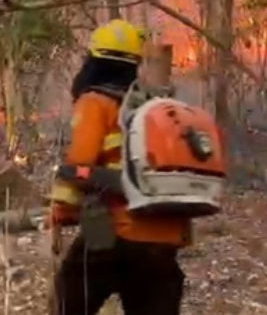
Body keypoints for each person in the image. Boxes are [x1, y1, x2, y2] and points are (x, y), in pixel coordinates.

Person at [47, 19, 191, 315]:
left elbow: (80, 165)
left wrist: (61, 213)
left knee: (68, 301)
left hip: (116, 234)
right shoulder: (158, 106)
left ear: (95, 61)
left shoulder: (95, 102)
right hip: (164, 239)